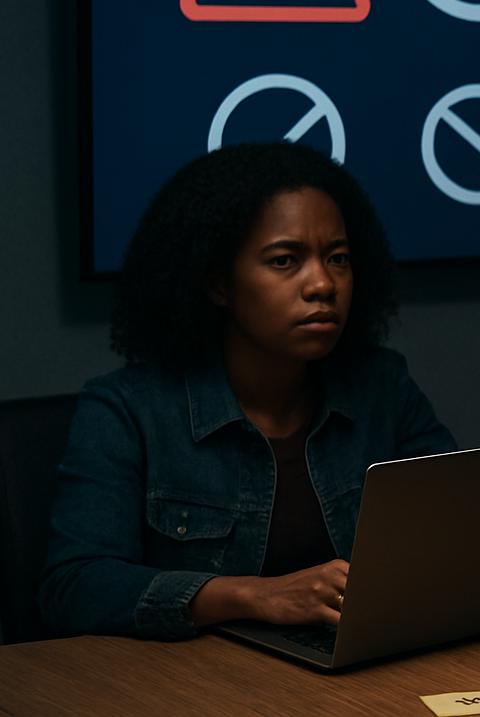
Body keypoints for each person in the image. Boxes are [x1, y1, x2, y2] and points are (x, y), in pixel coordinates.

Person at [38, 141, 456, 640]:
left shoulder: (383, 388)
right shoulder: (127, 410)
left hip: (356, 671)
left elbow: (458, 530)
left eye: (338, 258)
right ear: (218, 284)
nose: (323, 284)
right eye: (285, 261)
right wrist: (257, 597)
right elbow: (74, 587)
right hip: (203, 688)